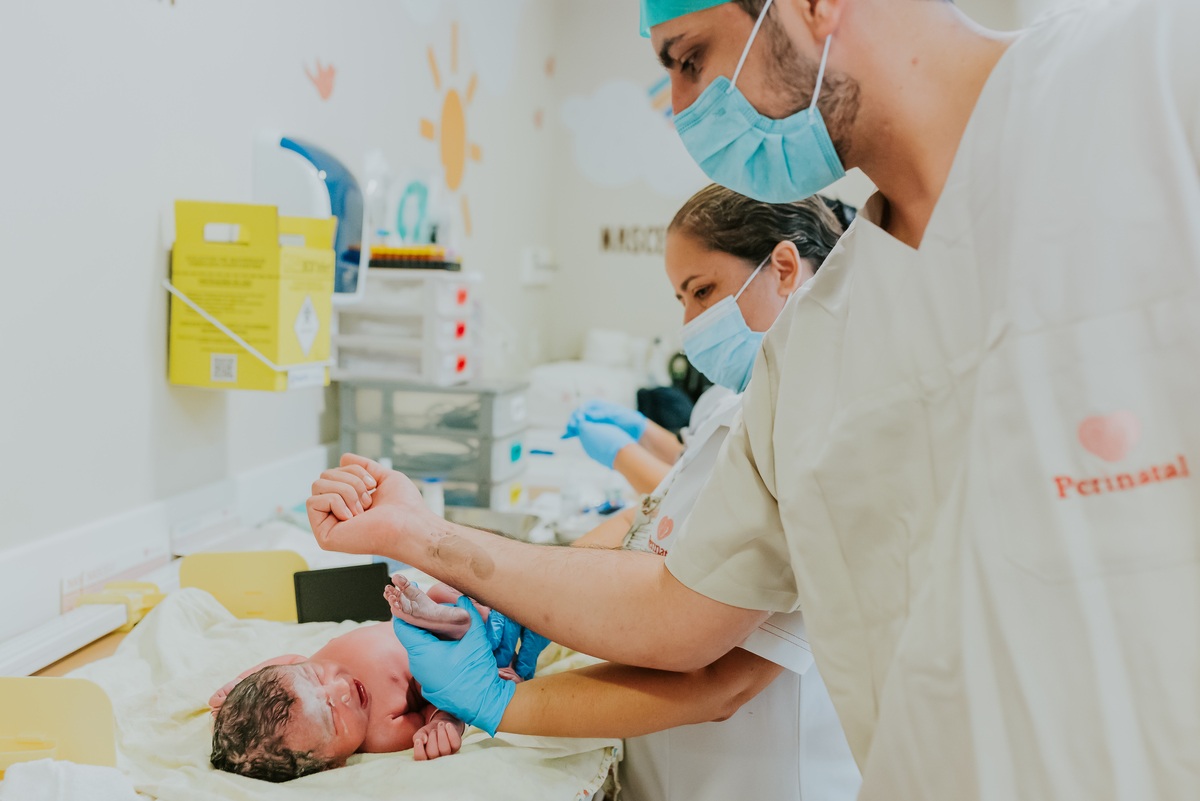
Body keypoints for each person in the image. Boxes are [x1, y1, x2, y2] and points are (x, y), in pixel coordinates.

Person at [310, 0, 1200, 797]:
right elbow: (683, 615)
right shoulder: (815, 346)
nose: (683, 110)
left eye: (690, 59)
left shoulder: (1151, 78)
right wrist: (428, 542)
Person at [208, 575, 542, 781]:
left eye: (314, 676)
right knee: (469, 636)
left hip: (425, 617)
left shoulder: (302, 667)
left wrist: (242, 682)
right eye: (331, 716)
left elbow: (287, 664)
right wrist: (446, 723)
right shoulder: (383, 732)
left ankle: (445, 618)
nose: (340, 687)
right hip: (466, 662)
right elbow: (437, 705)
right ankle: (458, 629)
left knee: (442, 590)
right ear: (332, 764)